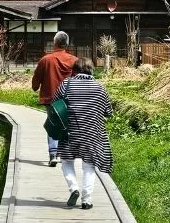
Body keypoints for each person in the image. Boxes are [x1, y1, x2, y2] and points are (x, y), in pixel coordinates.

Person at [54, 57, 113, 210]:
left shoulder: (66, 84)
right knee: (89, 166)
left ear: (75, 70)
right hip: (92, 134)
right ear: (91, 69)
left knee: (66, 162)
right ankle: (87, 200)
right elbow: (108, 112)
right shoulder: (100, 88)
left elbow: (55, 105)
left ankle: (74, 188)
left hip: (69, 132)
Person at [31, 31, 78, 167]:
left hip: (50, 97)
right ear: (67, 44)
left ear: (55, 43)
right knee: (65, 125)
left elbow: (36, 80)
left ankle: (53, 154)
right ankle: (60, 154)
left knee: (53, 123)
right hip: (69, 98)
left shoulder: (45, 60)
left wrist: (35, 87)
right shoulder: (74, 61)